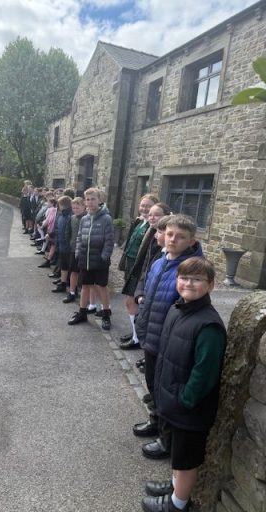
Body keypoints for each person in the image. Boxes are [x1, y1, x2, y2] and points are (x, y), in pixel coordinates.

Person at [141, 257, 226, 512]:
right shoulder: (178, 308)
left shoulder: (209, 325)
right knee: (178, 454)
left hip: (188, 408)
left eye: (197, 279)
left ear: (210, 285)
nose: (189, 283)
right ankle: (176, 485)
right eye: (184, 277)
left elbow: (205, 373)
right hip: (172, 401)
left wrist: (185, 400)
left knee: (186, 459)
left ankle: (178, 504)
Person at [134, 215, 203, 457]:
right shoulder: (160, 259)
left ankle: (166, 439)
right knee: (153, 384)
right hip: (151, 334)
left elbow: (185, 305)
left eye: (180, 236)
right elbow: (148, 283)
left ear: (191, 241)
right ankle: (155, 421)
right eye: (170, 234)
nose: (173, 239)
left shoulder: (191, 268)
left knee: (166, 390)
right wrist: (141, 299)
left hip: (170, 340)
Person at [120, 202, 170, 349]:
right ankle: (137, 335)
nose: (152, 217)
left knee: (142, 311)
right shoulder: (150, 230)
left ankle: (139, 339)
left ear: (166, 216)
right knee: (134, 306)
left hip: (149, 279)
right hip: (141, 275)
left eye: (157, 214)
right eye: (150, 214)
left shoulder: (162, 236)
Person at [68, 187, 114, 330]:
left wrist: (104, 257)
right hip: (84, 258)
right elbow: (79, 238)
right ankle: (82, 312)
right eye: (87, 199)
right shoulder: (85, 219)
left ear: (100, 200)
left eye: (93, 199)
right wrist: (77, 253)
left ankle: (106, 314)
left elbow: (109, 241)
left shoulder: (106, 218)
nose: (90, 202)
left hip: (100, 260)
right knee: (85, 286)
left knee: (101, 287)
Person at [63, 197, 86, 303]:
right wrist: (70, 243)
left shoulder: (87, 217)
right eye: (74, 208)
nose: (75, 210)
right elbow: (68, 232)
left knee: (84, 273)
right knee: (73, 271)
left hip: (85, 250)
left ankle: (84, 295)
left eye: (77, 207)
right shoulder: (72, 218)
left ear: (84, 206)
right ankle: (72, 292)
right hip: (73, 249)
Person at [51, 195, 73, 293]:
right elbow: (58, 229)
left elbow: (68, 233)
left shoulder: (69, 216)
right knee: (63, 265)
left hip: (67, 246)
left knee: (67, 266)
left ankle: (66, 284)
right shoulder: (62, 215)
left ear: (62, 205)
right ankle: (63, 281)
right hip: (61, 244)